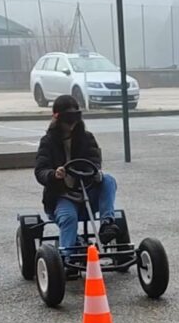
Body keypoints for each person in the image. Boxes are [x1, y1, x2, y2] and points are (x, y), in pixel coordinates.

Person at [35, 94, 118, 249]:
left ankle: (107, 224)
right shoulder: (48, 141)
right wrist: (54, 174)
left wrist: (93, 172)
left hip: (86, 191)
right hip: (62, 195)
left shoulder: (86, 138)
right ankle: (67, 257)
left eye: (74, 121)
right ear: (57, 119)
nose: (71, 125)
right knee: (68, 218)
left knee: (108, 180)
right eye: (67, 121)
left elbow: (94, 161)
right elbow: (40, 171)